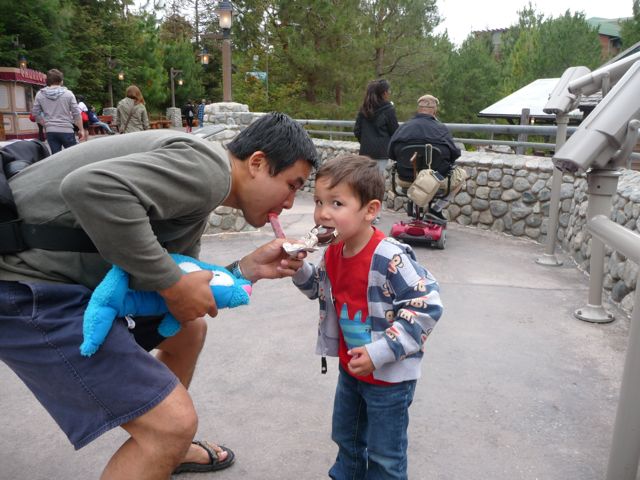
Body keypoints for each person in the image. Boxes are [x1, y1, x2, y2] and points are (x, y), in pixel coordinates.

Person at [0, 112, 319, 479]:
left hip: (52, 280)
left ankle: (166, 450)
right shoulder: (208, 172)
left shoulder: (202, 180)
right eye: (291, 185)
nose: (290, 202)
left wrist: (244, 270)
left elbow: (180, 278)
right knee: (173, 424)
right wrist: (173, 284)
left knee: (189, 329)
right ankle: (164, 440)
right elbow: (89, 187)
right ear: (257, 163)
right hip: (24, 287)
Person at [292, 155, 443, 479]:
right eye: (318, 201)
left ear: (370, 210)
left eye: (336, 203)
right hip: (352, 370)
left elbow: (426, 304)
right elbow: (319, 288)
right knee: (346, 438)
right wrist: (298, 268)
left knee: (385, 455)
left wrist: (380, 352)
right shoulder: (334, 251)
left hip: (389, 378)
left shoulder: (389, 256)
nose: (323, 213)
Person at [388, 94, 467, 218]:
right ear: (435, 111)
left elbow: (391, 153)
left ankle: (415, 206)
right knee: (462, 175)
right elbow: (454, 154)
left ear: (418, 109)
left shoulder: (403, 128)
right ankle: (436, 209)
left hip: (406, 179)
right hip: (434, 180)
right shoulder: (441, 129)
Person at [31, 68, 86, 154]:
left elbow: (35, 113)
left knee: (56, 157)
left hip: (51, 131)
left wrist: (45, 124)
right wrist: (81, 129)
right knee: (73, 155)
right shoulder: (68, 94)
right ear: (61, 81)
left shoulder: (40, 94)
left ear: (48, 81)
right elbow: (76, 114)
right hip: (67, 130)